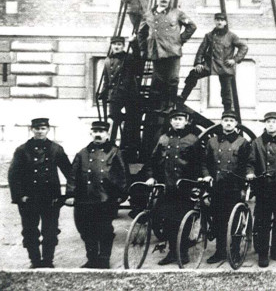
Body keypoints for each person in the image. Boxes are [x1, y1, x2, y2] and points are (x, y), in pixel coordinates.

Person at [8, 118, 73, 268]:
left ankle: (48, 261)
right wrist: (19, 196)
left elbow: (69, 172)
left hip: (51, 198)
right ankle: (35, 262)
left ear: (48, 130)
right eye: (36, 128)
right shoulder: (22, 150)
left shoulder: (56, 149)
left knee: (50, 231)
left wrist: (69, 194)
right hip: (29, 198)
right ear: (32, 130)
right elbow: (14, 174)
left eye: (43, 128)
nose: (39, 131)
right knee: (30, 231)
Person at [144, 108, 203, 265]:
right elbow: (153, 161)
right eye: (175, 119)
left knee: (183, 220)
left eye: (180, 119)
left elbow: (200, 163)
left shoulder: (193, 139)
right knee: (168, 221)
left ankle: (182, 253)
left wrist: (197, 182)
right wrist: (151, 177)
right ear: (171, 122)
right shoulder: (163, 139)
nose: (178, 121)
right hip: (167, 187)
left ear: (186, 121)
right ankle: (171, 253)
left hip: (185, 187)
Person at [66, 121, 127, 269]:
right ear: (91, 133)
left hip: (106, 199)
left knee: (105, 230)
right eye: (95, 131)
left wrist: (121, 193)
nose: (98, 134)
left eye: (102, 131)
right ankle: (92, 259)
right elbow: (73, 175)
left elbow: (123, 174)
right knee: (85, 229)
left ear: (107, 134)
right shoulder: (82, 153)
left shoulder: (114, 151)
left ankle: (104, 259)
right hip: (84, 198)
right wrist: (70, 194)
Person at [246, 111, 276, 267]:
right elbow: (250, 162)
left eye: (274, 121)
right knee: (263, 221)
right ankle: (263, 253)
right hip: (263, 187)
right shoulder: (257, 143)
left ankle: (275, 250)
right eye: (268, 122)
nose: (271, 124)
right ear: (265, 124)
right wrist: (250, 172)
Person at [202, 110, 251, 264]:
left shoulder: (242, 142)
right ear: (221, 122)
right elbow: (204, 162)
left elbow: (247, 165)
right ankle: (220, 251)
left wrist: (245, 185)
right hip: (216, 187)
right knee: (218, 220)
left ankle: (235, 251)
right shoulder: (212, 142)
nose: (228, 123)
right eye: (225, 120)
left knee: (234, 220)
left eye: (231, 120)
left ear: (236, 124)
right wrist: (206, 174)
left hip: (234, 187)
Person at [139, 0, 197, 113]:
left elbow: (192, 26)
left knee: (173, 79)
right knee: (157, 80)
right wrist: (144, 49)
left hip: (173, 51)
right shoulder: (148, 14)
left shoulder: (177, 13)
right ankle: (157, 106)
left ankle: (170, 106)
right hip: (156, 51)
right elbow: (141, 33)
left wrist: (180, 40)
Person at [179, 12, 248, 112]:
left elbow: (244, 47)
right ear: (215, 21)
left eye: (222, 20)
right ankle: (182, 97)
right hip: (210, 64)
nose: (219, 22)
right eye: (217, 20)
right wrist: (198, 63)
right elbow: (201, 50)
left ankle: (227, 112)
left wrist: (235, 59)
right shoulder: (209, 35)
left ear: (225, 22)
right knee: (193, 74)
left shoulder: (231, 36)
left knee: (226, 91)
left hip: (225, 66)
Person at [98, 36, 140, 152]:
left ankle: (128, 147)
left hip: (128, 94)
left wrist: (134, 43)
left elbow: (138, 60)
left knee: (131, 121)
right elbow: (107, 79)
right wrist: (103, 92)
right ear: (111, 45)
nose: (117, 46)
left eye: (119, 44)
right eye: (114, 44)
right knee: (113, 120)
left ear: (123, 46)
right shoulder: (107, 60)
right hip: (114, 95)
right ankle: (110, 145)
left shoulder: (128, 58)